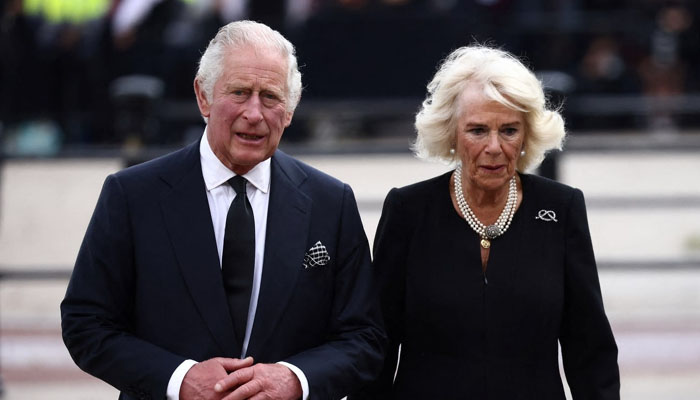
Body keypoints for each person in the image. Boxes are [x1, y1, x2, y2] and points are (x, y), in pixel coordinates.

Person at [61, 20, 385, 400]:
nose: (254, 112)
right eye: (239, 92)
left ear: (290, 110)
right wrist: (180, 379)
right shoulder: (132, 196)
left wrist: (295, 379)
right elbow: (86, 323)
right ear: (203, 97)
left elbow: (364, 337)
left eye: (270, 96)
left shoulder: (331, 202)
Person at [353, 45, 620, 399]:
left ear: (526, 136)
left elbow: (590, 348)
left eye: (508, 130)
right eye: (477, 130)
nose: (494, 146)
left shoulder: (561, 209)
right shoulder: (408, 211)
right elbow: (378, 344)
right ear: (451, 132)